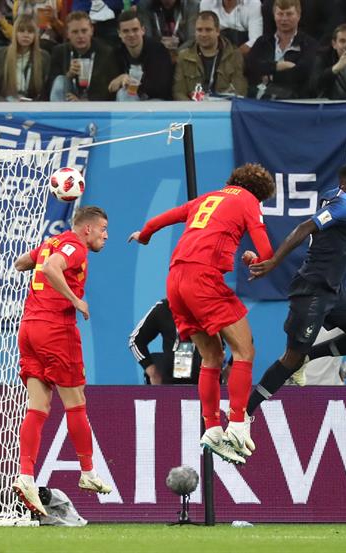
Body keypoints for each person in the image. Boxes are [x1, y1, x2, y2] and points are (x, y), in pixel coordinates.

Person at [128, 163, 276, 465]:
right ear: (258, 195)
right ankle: (236, 423)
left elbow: (159, 220)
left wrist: (143, 235)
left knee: (211, 357)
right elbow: (267, 252)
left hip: (175, 281)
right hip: (203, 279)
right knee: (244, 350)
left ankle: (211, 428)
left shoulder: (206, 198)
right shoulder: (247, 200)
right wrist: (259, 259)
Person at [246, 164, 346, 416]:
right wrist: (274, 261)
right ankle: (244, 415)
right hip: (313, 289)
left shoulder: (333, 196)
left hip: (335, 289)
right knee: (291, 359)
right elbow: (304, 228)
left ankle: (309, 356)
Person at [12, 206, 112, 516]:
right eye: (102, 229)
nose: (106, 235)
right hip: (56, 328)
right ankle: (87, 472)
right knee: (75, 401)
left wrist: (44, 254)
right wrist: (75, 299)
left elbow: (21, 264)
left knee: (38, 406)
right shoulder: (76, 247)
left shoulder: (54, 242)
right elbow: (52, 268)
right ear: (86, 230)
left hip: (28, 327)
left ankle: (26, 476)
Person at [246, 0, 318, 100]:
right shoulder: (262, 42)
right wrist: (278, 66)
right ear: (274, 16)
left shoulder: (309, 44)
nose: (284, 19)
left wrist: (270, 75)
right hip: (260, 100)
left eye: (289, 14)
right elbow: (251, 66)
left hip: (295, 101)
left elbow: (303, 72)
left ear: (298, 15)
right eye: (280, 14)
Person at [172, 10, 247, 99]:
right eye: (199, 30)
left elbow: (240, 91)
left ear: (218, 31)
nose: (203, 34)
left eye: (208, 30)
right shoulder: (183, 57)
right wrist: (193, 110)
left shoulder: (234, 55)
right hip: (192, 109)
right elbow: (178, 92)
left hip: (223, 110)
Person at [47, 11, 121, 101]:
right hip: (68, 99)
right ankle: (59, 115)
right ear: (67, 34)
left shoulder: (106, 52)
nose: (80, 36)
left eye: (84, 31)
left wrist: (83, 101)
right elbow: (50, 85)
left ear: (92, 31)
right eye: (75, 32)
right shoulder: (59, 51)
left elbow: (109, 87)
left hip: (95, 103)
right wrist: (69, 75)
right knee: (60, 80)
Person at [129, 298, 202, 384]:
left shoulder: (213, 306)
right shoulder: (164, 308)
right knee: (184, 348)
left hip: (209, 383)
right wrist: (153, 374)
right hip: (172, 387)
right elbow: (135, 340)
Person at [109, 9, 174, 100]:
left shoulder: (158, 50)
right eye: (126, 31)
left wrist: (132, 82)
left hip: (156, 102)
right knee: (124, 93)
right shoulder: (116, 53)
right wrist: (118, 80)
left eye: (135, 30)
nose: (131, 34)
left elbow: (162, 88)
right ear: (119, 33)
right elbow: (110, 87)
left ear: (143, 30)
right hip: (130, 100)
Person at [0, 14, 51, 100]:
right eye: (21, 31)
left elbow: (46, 91)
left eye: (30, 32)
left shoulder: (44, 57)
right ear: (15, 33)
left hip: (32, 106)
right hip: (5, 104)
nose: (26, 35)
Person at [199, 0, 263, 54]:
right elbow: (204, 35)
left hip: (243, 54)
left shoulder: (253, 3)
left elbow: (255, 40)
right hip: (215, 51)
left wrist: (232, 57)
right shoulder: (206, 3)